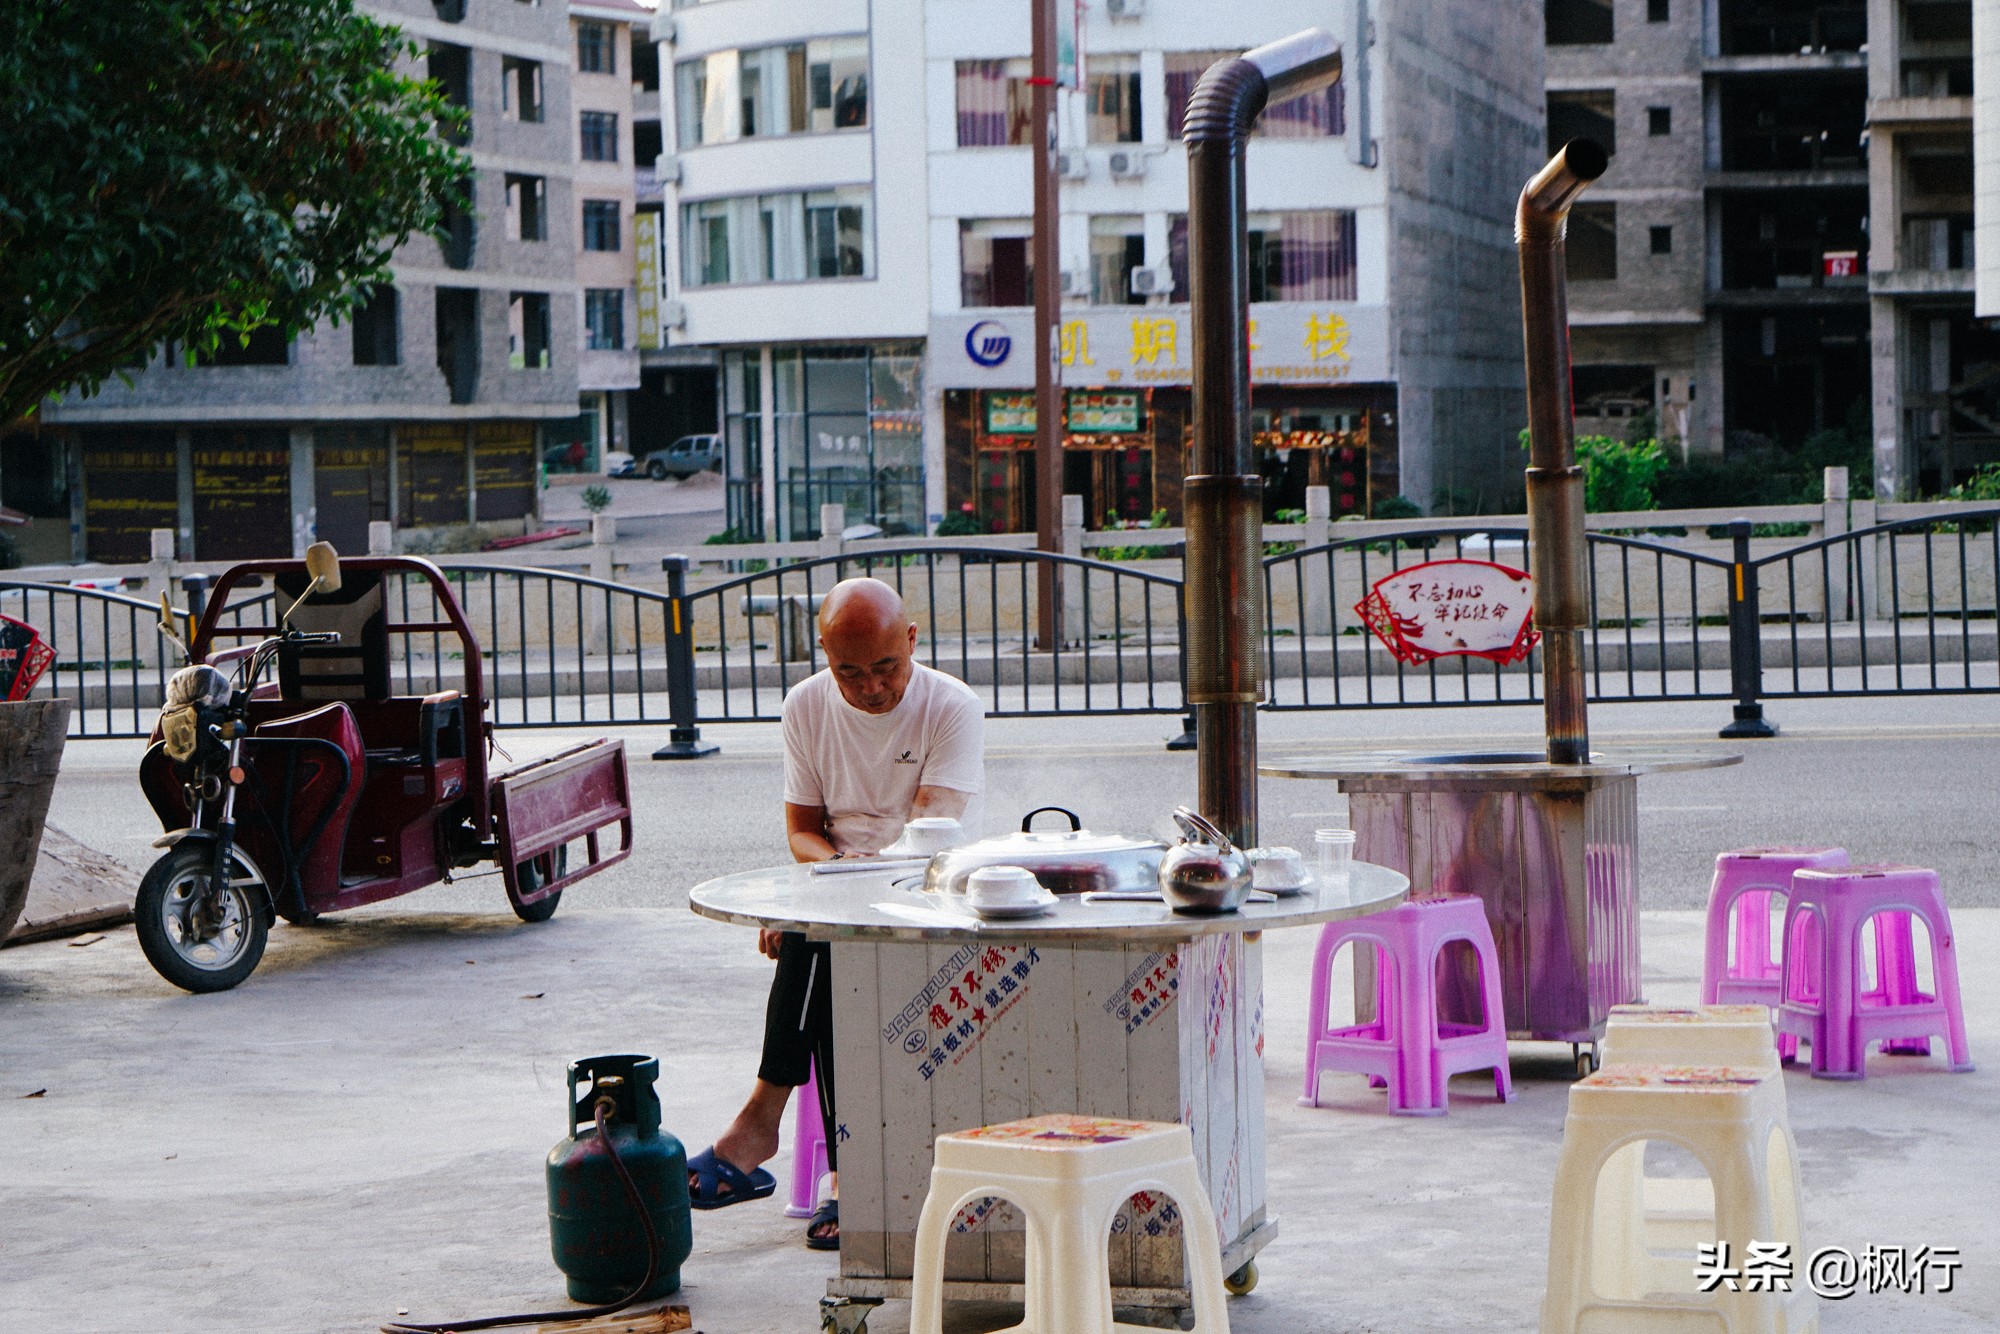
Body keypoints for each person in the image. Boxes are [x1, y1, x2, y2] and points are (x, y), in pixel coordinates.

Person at [685, 577, 985, 1250]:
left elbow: (929, 832)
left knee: (818, 940)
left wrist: (822, 896)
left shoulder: (951, 706)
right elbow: (801, 832)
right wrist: (816, 892)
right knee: (822, 941)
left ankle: (762, 1126)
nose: (870, 688)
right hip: (836, 885)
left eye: (886, 668)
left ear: (912, 640)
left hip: (924, 890)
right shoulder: (806, 707)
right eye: (848, 672)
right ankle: (847, 1175)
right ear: (821, 652)